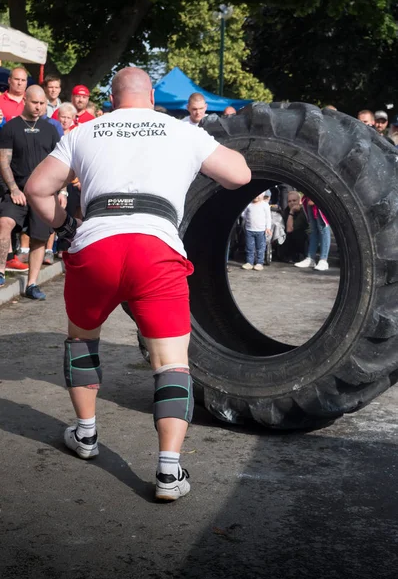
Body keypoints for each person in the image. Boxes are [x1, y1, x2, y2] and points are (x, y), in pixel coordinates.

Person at [24, 66, 251, 501]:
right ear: (151, 97)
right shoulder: (182, 130)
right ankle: (168, 471)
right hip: (156, 248)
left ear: (111, 98)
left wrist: (66, 226)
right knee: (171, 363)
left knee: (82, 340)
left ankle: (86, 435)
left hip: (97, 245)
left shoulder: (85, 131)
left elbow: (37, 187)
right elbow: (239, 175)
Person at [0, 86, 60, 293]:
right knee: (4, 223)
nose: (39, 107)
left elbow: (58, 162)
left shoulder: (51, 129)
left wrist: (61, 192)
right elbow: (4, 161)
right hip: (16, 191)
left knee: (39, 238)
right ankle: (0, 272)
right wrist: (14, 189)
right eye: (35, 102)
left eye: (42, 103)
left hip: (43, 194)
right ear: (25, 100)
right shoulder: (10, 128)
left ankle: (31, 284)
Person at [294, 197, 331, 271]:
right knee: (313, 229)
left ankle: (323, 260)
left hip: (319, 197)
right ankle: (311, 258)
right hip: (309, 197)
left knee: (323, 227)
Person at [241, 190, 272, 271]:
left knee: (260, 247)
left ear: (262, 195)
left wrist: (268, 227)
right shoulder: (248, 205)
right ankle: (249, 262)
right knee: (249, 247)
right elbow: (243, 214)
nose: (256, 196)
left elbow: (268, 217)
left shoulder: (265, 205)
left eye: (259, 194)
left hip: (261, 231)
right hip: (249, 230)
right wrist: (248, 219)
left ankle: (259, 262)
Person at [280, 191, 309, 263]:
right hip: (292, 239)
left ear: (299, 201)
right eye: (289, 201)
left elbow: (290, 229)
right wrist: (291, 212)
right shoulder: (286, 211)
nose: (292, 203)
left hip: (304, 238)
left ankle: (300, 254)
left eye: (294, 200)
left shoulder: (303, 211)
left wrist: (292, 212)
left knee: (296, 233)